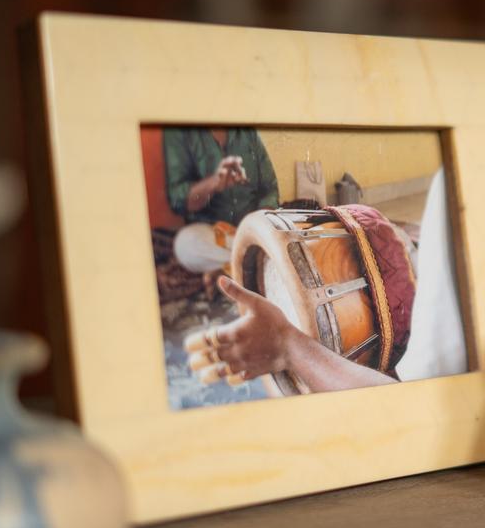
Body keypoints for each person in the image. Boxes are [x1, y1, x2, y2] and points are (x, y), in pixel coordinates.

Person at [183, 169, 467, 393]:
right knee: (188, 244)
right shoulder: (451, 184)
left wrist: (288, 345)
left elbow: (409, 405)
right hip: (232, 229)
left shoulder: (452, 189)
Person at [163, 127, 279, 273]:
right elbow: (178, 201)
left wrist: (258, 228)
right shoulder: (179, 131)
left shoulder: (248, 131)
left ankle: (239, 268)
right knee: (184, 244)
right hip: (213, 235)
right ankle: (255, 267)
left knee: (293, 232)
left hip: (253, 235)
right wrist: (214, 183)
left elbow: (270, 190)